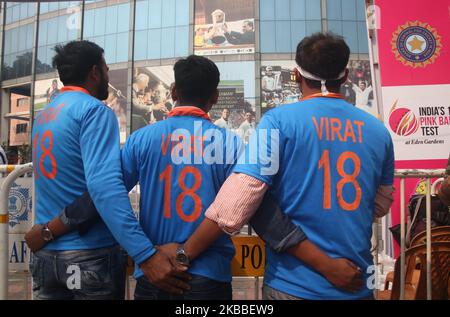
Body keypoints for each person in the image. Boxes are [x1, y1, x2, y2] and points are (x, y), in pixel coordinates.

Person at [26, 54, 366, 298]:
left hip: (154, 271)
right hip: (208, 276)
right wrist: (322, 263)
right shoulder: (231, 144)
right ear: (215, 98)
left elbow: (102, 195)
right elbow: (256, 208)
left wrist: (53, 228)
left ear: (173, 93)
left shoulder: (144, 138)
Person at [172, 33, 395, 300]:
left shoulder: (277, 121)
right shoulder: (378, 132)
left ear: (296, 75)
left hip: (293, 285)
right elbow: (380, 204)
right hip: (357, 281)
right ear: (345, 76)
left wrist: (185, 253)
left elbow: (237, 202)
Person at [28, 40, 189, 300]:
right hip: (89, 256)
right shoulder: (94, 111)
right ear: (94, 72)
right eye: (106, 69)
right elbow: (105, 189)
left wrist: (49, 231)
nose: (108, 75)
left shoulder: (43, 116)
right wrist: (145, 254)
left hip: (46, 255)